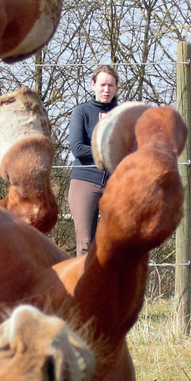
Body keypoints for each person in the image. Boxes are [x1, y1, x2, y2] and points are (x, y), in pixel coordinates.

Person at [66, 64, 119, 254]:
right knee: (85, 243)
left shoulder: (122, 114)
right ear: (93, 85)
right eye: (102, 84)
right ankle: (83, 283)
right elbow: (78, 149)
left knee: (112, 242)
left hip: (115, 183)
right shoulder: (81, 112)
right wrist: (110, 151)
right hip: (84, 181)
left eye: (111, 85)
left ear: (116, 87)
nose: (106, 89)